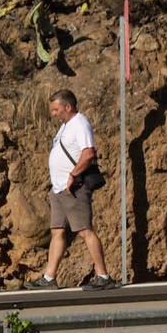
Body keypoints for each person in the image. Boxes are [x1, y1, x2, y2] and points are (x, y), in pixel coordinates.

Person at [31, 90, 114, 290]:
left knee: (85, 230)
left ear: (68, 107)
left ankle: (103, 276)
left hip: (73, 188)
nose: (53, 113)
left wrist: (73, 175)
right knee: (57, 231)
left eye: (56, 109)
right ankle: (49, 278)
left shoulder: (80, 124)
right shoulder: (65, 127)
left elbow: (88, 153)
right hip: (59, 189)